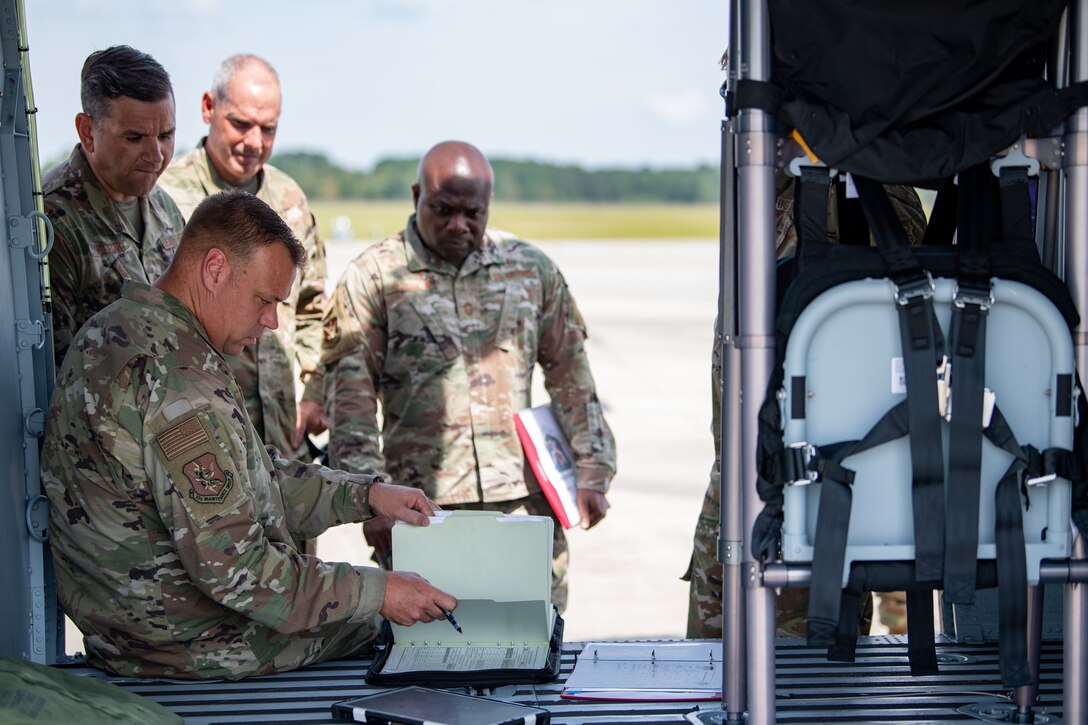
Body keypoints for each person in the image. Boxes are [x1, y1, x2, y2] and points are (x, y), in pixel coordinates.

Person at [40, 190, 456, 680]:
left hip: (141, 630)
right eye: (264, 300)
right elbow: (239, 570)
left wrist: (365, 495)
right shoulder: (177, 378)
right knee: (401, 632)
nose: (272, 321)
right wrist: (380, 592)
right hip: (184, 645)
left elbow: (250, 481)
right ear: (214, 269)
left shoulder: (121, 328)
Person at [320, 141, 616, 612]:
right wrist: (367, 497)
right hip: (422, 512)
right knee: (435, 652)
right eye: (443, 209)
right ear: (416, 194)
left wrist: (593, 471)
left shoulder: (529, 270)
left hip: (523, 506)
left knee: (534, 643)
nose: (459, 225)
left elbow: (572, 377)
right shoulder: (374, 277)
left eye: (472, 213)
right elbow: (350, 401)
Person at [684, 171, 927, 638]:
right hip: (736, 500)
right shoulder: (765, 194)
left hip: (811, 504)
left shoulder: (860, 199)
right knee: (716, 677)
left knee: (810, 687)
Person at [158, 54, 327, 461]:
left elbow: (314, 307)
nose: (254, 142)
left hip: (286, 441)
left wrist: (313, 391)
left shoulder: (291, 200)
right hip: (204, 438)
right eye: (240, 124)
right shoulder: (165, 199)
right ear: (208, 108)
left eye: (268, 129)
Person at [44, 45, 185, 368]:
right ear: (87, 132)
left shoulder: (164, 207)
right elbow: (55, 373)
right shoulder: (53, 225)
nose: (157, 155)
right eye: (134, 138)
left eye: (166, 135)